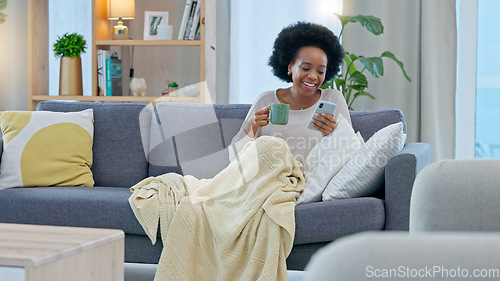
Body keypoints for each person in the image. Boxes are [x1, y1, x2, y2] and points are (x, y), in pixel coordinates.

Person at [230, 21, 352, 163]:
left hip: (314, 181)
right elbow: (234, 158)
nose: (313, 76)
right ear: (290, 67)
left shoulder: (333, 99)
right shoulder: (266, 100)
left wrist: (333, 135)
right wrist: (252, 126)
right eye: (305, 68)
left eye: (320, 71)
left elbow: (351, 154)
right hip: (270, 180)